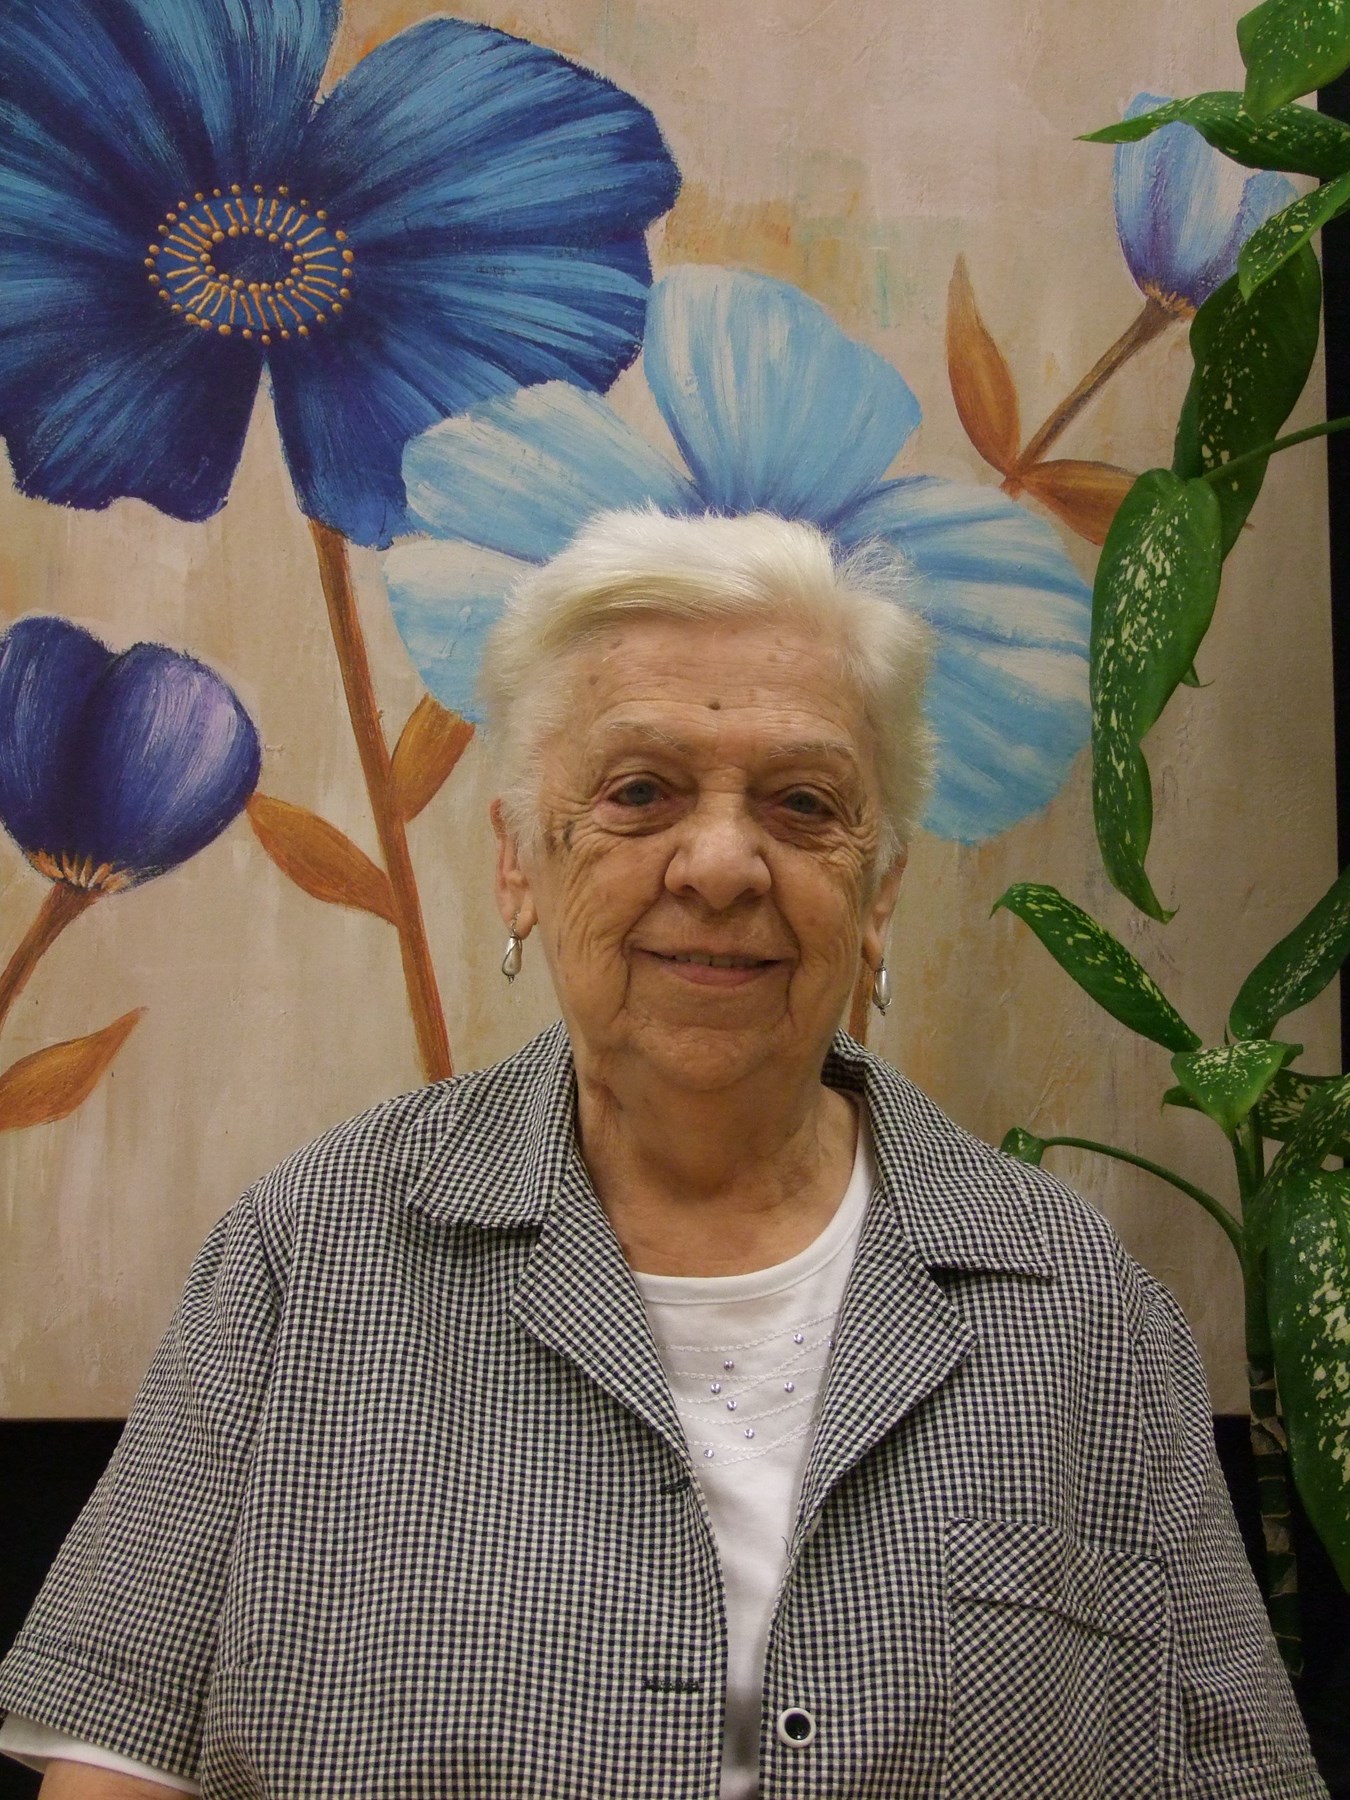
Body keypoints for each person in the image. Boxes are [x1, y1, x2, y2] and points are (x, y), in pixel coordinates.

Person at [0, 509, 1327, 1799]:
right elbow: (120, 1760)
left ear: (878, 891)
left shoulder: (1076, 1303)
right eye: (639, 792)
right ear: (519, 864)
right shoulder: (306, 1255)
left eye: (803, 802)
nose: (722, 863)